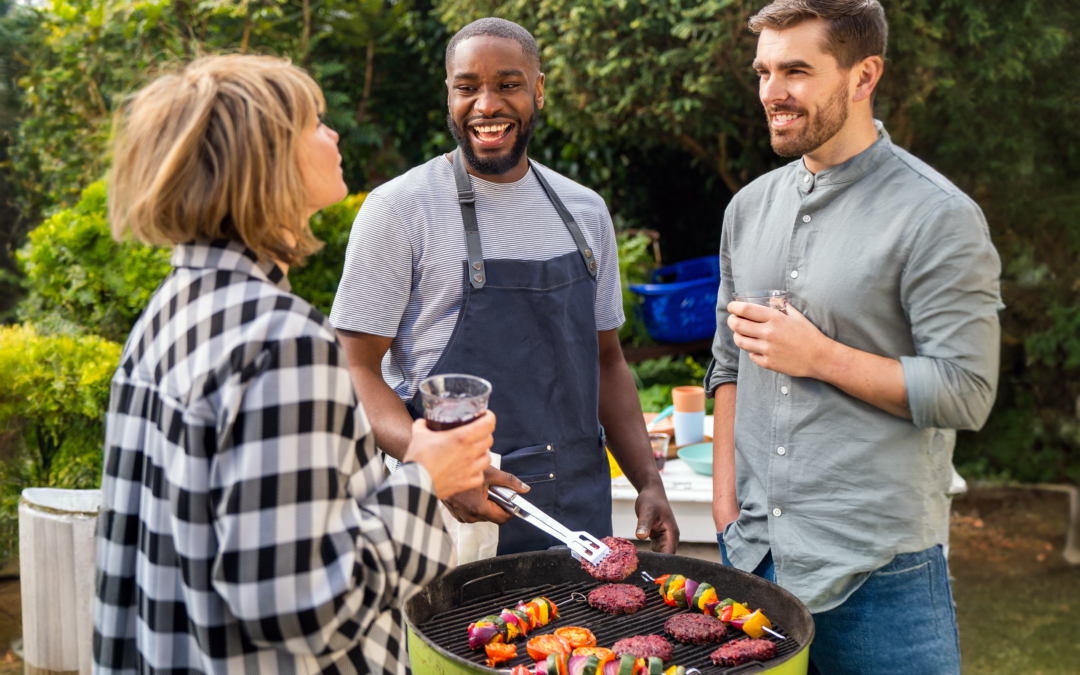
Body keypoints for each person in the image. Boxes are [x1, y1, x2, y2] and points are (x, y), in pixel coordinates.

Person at [94, 55, 496, 675]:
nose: (333, 135)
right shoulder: (280, 339)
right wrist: (426, 477)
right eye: (315, 122)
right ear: (265, 157)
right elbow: (309, 609)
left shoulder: (167, 315)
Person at [706, 1, 1001, 673]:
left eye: (796, 71)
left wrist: (820, 357)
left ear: (864, 75)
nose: (771, 93)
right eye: (763, 71)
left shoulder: (938, 217)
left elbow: (968, 390)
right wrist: (727, 509)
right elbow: (727, 366)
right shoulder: (747, 209)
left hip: (879, 578)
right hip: (753, 563)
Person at [329, 18, 678, 555]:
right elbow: (354, 370)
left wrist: (648, 482)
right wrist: (436, 462)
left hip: (580, 515)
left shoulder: (584, 211)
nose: (486, 104)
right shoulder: (400, 209)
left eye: (508, 84)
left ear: (538, 90)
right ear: (448, 94)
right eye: (467, 87)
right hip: (451, 518)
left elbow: (608, 362)